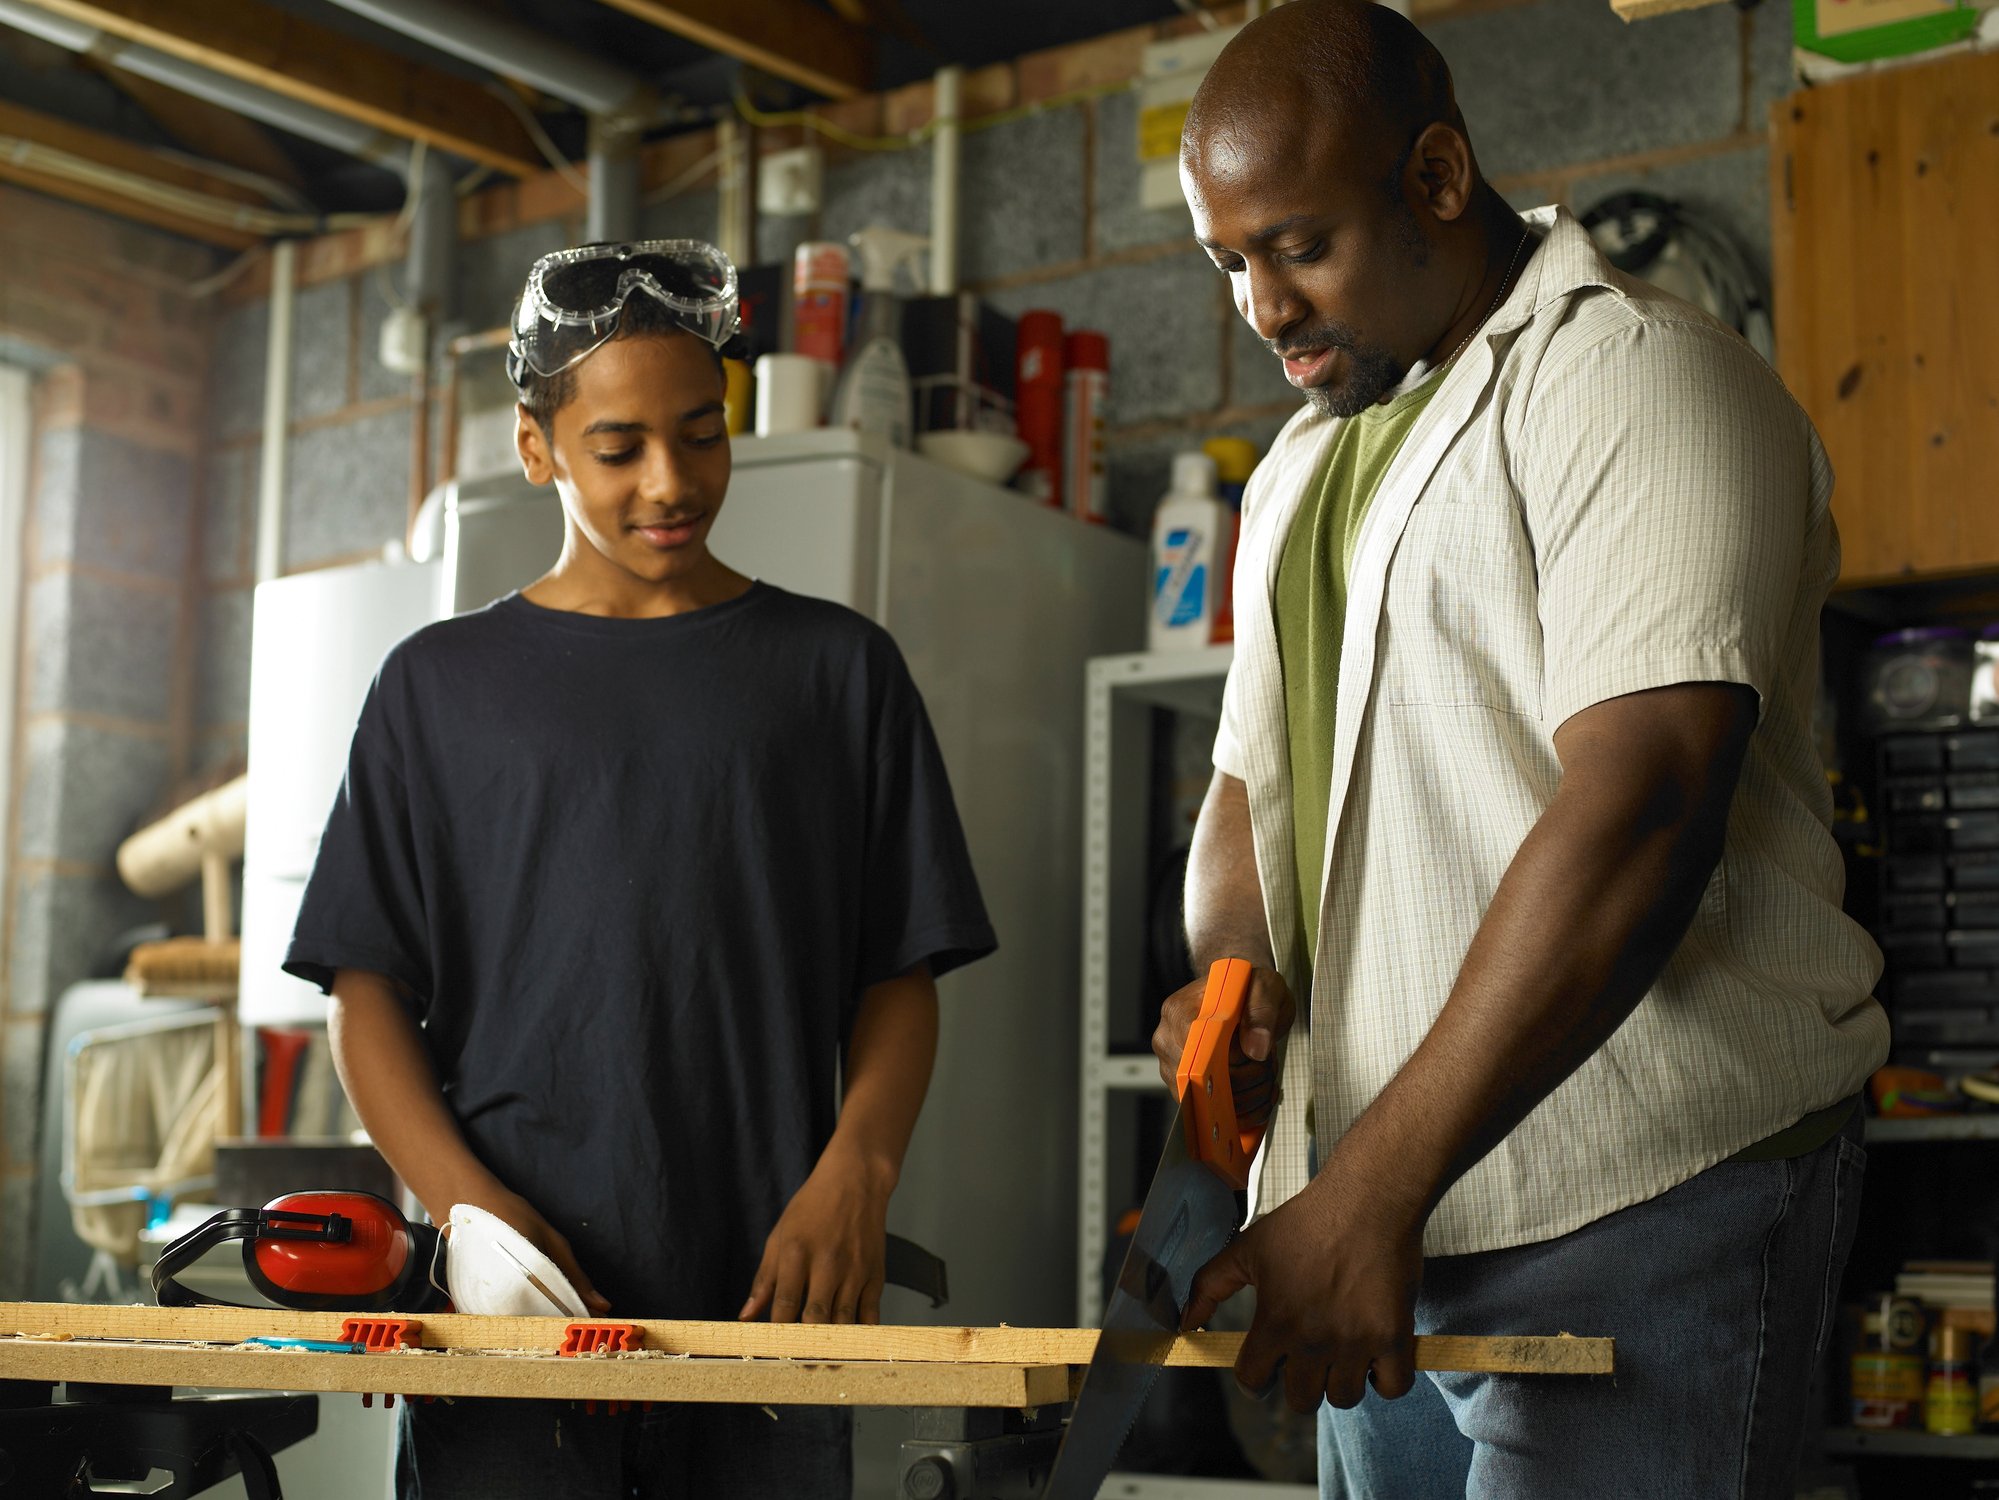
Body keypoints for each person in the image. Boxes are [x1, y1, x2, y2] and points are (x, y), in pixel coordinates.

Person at [1148, 3, 1889, 1495]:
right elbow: (1246, 788)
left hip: (1638, 1190)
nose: (1263, 309)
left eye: (1297, 246)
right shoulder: (1298, 471)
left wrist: (1366, 1189)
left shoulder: (1632, 381)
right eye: (1228, 263)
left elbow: (1645, 801)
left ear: (1433, 179)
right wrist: (1232, 977)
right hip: (1389, 1209)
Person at [284, 239, 996, 1499]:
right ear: (536, 446)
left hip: (770, 1313)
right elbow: (365, 993)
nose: (670, 482)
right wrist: (468, 1218)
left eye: (702, 433)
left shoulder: (837, 673)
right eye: (618, 449)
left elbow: (899, 969)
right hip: (517, 1326)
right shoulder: (436, 691)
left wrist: (859, 1173)